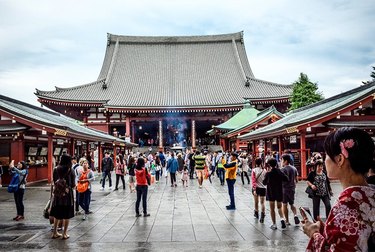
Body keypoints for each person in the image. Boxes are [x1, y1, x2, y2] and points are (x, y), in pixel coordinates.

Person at [303, 127, 375, 251]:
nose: (324, 161)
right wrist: (329, 230)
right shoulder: (370, 194)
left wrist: (314, 234)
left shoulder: (347, 206)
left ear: (340, 159)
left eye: (327, 155)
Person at [50, 154, 75, 239]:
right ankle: (64, 234)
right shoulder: (70, 170)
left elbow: (54, 181)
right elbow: (72, 184)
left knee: (57, 214)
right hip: (67, 196)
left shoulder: (55, 169)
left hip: (57, 196)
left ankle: (55, 232)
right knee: (66, 215)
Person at [263, 158, 288, 230]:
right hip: (279, 191)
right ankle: (282, 219)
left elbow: (264, 183)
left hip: (271, 192)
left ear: (269, 165)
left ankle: (274, 224)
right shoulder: (279, 172)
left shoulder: (268, 173)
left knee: (272, 209)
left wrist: (267, 175)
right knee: (279, 207)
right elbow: (286, 179)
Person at [280, 154, 300, 226]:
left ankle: (287, 221)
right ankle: (295, 215)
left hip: (284, 189)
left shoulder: (282, 170)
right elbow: (297, 180)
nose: (281, 161)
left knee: (284, 204)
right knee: (292, 204)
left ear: (285, 161)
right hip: (292, 189)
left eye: (282, 160)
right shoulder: (294, 168)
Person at [252, 158, 267, 223]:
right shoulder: (264, 170)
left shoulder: (254, 170)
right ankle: (262, 215)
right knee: (262, 203)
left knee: (256, 202)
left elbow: (253, 180)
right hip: (263, 188)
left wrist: (254, 189)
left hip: (256, 188)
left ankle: (256, 213)